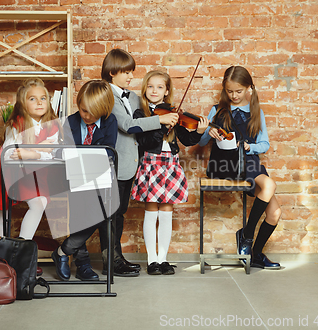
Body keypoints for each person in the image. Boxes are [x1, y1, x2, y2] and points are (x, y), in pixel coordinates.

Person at [100, 49, 179, 276]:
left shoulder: (133, 96)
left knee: (120, 211)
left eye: (131, 72)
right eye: (126, 72)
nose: (130, 76)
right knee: (111, 213)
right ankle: (110, 260)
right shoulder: (107, 95)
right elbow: (128, 124)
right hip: (114, 163)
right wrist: (160, 120)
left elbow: (144, 114)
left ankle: (116, 258)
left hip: (131, 164)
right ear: (112, 72)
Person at [198, 66, 282, 269]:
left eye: (239, 91)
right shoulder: (217, 110)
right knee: (269, 185)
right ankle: (246, 237)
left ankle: (254, 251)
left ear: (249, 89)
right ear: (224, 90)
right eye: (229, 91)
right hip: (225, 165)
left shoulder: (256, 112)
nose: (234, 96)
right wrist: (206, 132)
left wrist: (249, 146)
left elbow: (265, 144)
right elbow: (200, 143)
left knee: (275, 213)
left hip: (249, 163)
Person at [0, 78, 60, 276]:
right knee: (1, 212)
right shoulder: (17, 123)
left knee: (39, 202)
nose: (40, 102)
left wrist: (33, 152)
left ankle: (20, 256)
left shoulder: (52, 125)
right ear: (23, 103)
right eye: (33, 98)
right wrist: (40, 149)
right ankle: (0, 261)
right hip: (3, 168)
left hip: (30, 170)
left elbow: (55, 152)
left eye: (43, 98)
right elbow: (12, 153)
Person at [131, 70, 209, 275]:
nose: (154, 90)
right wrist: (161, 123)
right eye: (150, 86)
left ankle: (163, 259)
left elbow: (187, 140)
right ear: (144, 89)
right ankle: (151, 261)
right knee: (151, 212)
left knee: (166, 213)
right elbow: (146, 141)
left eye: (159, 87)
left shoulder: (174, 113)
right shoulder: (142, 114)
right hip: (150, 164)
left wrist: (199, 133)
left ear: (166, 91)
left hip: (171, 165)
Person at [51, 80, 117, 281]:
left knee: (100, 216)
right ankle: (83, 265)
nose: (86, 116)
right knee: (79, 219)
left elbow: (108, 152)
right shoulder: (70, 122)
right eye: (83, 110)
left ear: (103, 110)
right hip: (75, 177)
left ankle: (62, 252)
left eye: (91, 113)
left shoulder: (110, 122)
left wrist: (79, 153)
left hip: (99, 178)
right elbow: (60, 151)